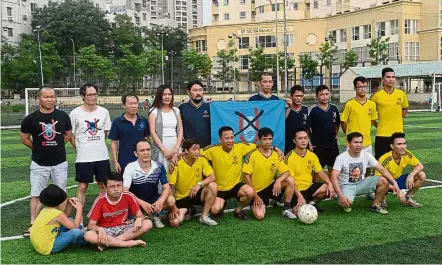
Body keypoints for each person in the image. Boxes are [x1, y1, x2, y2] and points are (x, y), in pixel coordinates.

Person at [20, 86, 72, 237]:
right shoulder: (31, 119)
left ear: (55, 98)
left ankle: (59, 222)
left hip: (60, 162)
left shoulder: (63, 116)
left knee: (61, 193)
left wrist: (56, 145)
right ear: (39, 99)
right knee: (36, 194)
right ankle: (33, 224)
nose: (50, 100)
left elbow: (68, 135)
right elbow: (24, 139)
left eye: (52, 97)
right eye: (46, 97)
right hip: (39, 163)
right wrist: (38, 148)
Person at [330, 132, 403, 214]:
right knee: (346, 204)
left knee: (383, 181)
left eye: (360, 142)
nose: (359, 145)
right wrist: (340, 195)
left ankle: (375, 205)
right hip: (346, 185)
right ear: (349, 143)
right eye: (355, 142)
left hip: (362, 183)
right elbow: (333, 176)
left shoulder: (366, 155)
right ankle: (344, 198)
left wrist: (394, 182)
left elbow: (382, 169)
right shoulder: (341, 158)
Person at [70, 83, 111, 215]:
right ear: (83, 96)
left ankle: (102, 214)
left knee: (103, 186)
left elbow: (105, 133)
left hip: (102, 156)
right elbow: (70, 134)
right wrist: (79, 148)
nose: (93, 97)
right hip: (84, 157)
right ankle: (79, 217)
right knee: (82, 187)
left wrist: (97, 145)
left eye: (95, 94)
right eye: (89, 95)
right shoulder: (75, 113)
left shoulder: (104, 112)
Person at [243, 127, 301, 220]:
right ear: (259, 140)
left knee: (290, 180)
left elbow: (286, 172)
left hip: (271, 187)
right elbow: (246, 176)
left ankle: (286, 209)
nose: (267, 142)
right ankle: (264, 202)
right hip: (257, 191)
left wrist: (278, 180)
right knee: (260, 216)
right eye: (264, 139)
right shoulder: (252, 155)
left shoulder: (276, 154)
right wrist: (255, 196)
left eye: (270, 139)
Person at [85, 172, 152, 251]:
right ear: (106, 188)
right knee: (88, 235)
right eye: (112, 187)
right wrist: (99, 229)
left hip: (124, 228)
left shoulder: (128, 196)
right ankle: (128, 243)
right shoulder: (100, 200)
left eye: (119, 186)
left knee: (148, 223)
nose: (116, 189)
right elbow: (90, 225)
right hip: (106, 230)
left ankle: (110, 243)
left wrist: (139, 219)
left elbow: (140, 215)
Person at [201, 126, 256, 220]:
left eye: (232, 137)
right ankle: (222, 204)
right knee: (215, 210)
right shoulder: (212, 150)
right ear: (220, 139)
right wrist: (179, 155)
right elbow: (195, 153)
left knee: (250, 192)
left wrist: (276, 148)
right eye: (227, 138)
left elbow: (258, 145)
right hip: (220, 189)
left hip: (236, 185)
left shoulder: (240, 146)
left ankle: (238, 211)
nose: (230, 140)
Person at [123, 139, 179, 228]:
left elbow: (167, 187)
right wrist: (142, 203)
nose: (146, 153)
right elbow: (125, 191)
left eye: (148, 150)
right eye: (142, 150)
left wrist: (160, 201)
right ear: (136, 153)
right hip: (136, 202)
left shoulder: (159, 166)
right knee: (124, 200)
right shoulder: (130, 167)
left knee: (171, 200)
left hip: (153, 201)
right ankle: (138, 215)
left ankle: (155, 215)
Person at [167, 139, 219, 227]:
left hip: (197, 193)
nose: (197, 151)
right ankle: (189, 210)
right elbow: (169, 187)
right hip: (182, 198)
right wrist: (173, 207)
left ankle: (204, 217)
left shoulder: (202, 159)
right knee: (174, 222)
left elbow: (212, 177)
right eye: (194, 149)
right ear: (186, 150)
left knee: (213, 186)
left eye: (199, 149)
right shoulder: (175, 163)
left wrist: (199, 184)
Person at [285, 128, 335, 212]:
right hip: (296, 190)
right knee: (298, 212)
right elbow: (290, 181)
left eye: (305, 138)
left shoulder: (312, 155)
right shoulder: (289, 157)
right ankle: (300, 202)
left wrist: (330, 183)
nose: (303, 141)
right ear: (294, 141)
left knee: (328, 188)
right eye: (300, 138)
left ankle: (312, 202)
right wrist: (300, 196)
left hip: (309, 187)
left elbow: (321, 172)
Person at [30, 184, 86, 255]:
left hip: (40, 244)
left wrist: (69, 203)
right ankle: (88, 239)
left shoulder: (45, 210)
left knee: (69, 221)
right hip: (48, 246)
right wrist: (79, 208)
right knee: (77, 232)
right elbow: (75, 227)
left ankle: (81, 233)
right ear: (60, 200)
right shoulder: (57, 214)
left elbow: (65, 216)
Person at [376, 132, 426, 208]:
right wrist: (398, 190)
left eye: (404, 143)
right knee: (383, 181)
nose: (403, 147)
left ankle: (407, 197)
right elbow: (377, 180)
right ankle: (382, 200)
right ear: (392, 146)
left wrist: (411, 175)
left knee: (421, 175)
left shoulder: (406, 153)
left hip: (398, 180)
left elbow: (420, 165)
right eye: (399, 144)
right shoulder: (384, 159)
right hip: (386, 183)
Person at [372, 67, 409, 160]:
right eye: (388, 77)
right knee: (380, 162)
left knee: (397, 162)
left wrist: (397, 119)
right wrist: (379, 125)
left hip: (398, 134)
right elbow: (371, 114)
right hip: (382, 135)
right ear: (383, 79)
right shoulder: (376, 96)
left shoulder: (401, 94)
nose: (391, 79)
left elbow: (405, 108)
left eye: (393, 77)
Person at [109, 93, 149, 173]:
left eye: (135, 103)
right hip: (124, 161)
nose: (133, 106)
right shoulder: (117, 122)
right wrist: (115, 162)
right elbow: (114, 143)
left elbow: (147, 139)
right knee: (126, 185)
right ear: (124, 106)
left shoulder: (144, 121)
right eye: (130, 103)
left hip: (141, 161)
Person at [148, 85, 184, 172]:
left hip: (175, 145)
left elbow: (180, 130)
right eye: (164, 94)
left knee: (176, 171)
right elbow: (152, 132)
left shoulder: (176, 110)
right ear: (159, 96)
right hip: (161, 146)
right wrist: (164, 150)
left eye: (169, 94)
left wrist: (176, 149)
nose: (167, 97)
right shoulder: (154, 111)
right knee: (163, 172)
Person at [307, 85, 340, 176]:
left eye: (326, 94)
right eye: (321, 94)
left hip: (332, 145)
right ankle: (317, 189)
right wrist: (309, 141)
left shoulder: (334, 108)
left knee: (333, 171)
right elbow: (306, 128)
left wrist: (335, 134)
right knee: (317, 172)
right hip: (318, 146)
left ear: (329, 94)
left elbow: (337, 123)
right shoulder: (313, 109)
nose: (325, 97)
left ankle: (332, 189)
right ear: (316, 96)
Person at [341, 76, 378, 155]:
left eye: (365, 86)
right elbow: (343, 121)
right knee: (352, 167)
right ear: (355, 88)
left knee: (368, 166)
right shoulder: (349, 104)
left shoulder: (372, 104)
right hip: (352, 144)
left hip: (367, 143)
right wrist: (350, 135)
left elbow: (372, 120)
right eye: (360, 87)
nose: (363, 89)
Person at [178, 80, 211, 148]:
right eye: (195, 90)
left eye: (200, 90)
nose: (198, 93)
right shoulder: (182, 108)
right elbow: (177, 127)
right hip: (189, 148)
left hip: (208, 147)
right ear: (188, 92)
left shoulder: (210, 107)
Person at [284, 85, 309, 154]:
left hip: (303, 145)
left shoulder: (305, 109)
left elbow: (307, 128)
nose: (299, 98)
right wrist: (289, 107)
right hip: (288, 145)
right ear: (291, 97)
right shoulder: (285, 110)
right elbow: (281, 123)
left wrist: (309, 142)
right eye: (297, 96)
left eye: (301, 96)